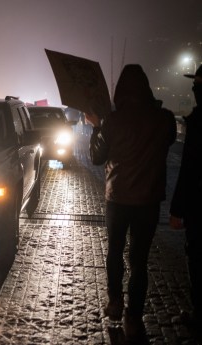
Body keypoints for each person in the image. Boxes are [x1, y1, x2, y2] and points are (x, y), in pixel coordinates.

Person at [85, 64, 177, 342]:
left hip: (118, 198)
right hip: (148, 200)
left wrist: (97, 127)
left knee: (115, 252)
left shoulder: (112, 121)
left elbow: (97, 158)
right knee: (140, 261)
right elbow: (168, 142)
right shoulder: (164, 119)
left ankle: (114, 302)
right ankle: (133, 317)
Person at [169, 64, 202, 328]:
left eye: (198, 83)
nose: (194, 88)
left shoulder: (199, 122)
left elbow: (190, 168)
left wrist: (177, 208)